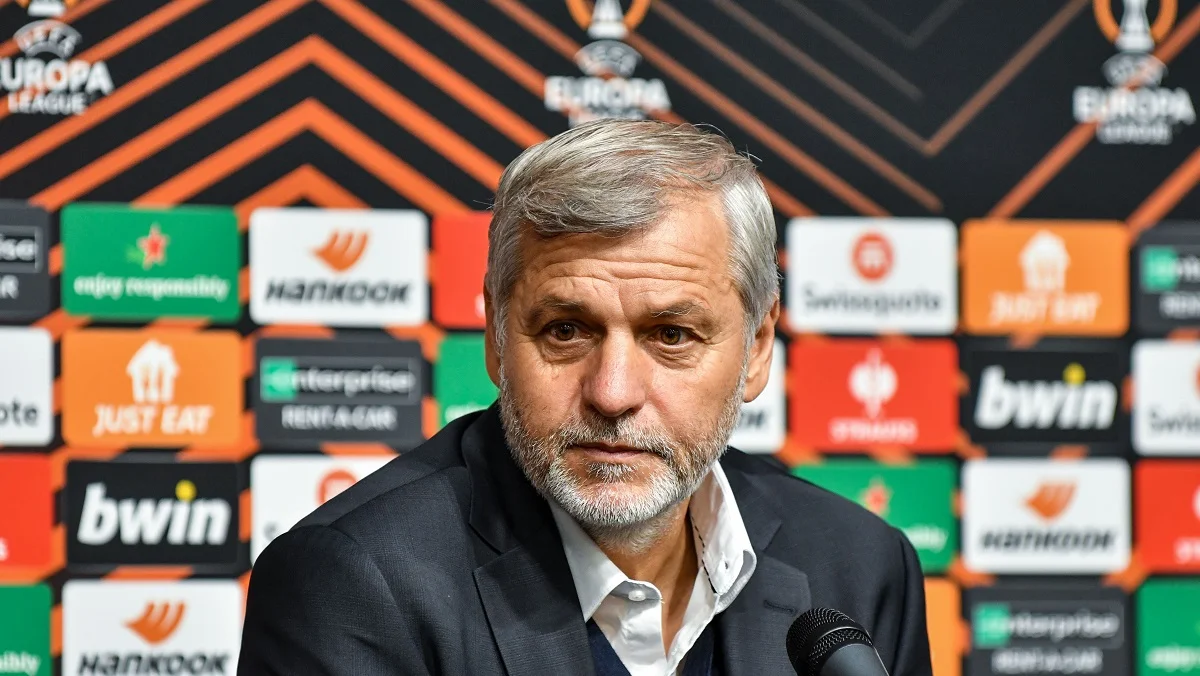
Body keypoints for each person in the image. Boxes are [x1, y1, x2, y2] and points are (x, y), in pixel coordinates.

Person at [238, 119, 933, 676]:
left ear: (755, 349)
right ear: (496, 338)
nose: (613, 393)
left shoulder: (860, 566)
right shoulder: (353, 584)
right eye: (566, 331)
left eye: (671, 334)